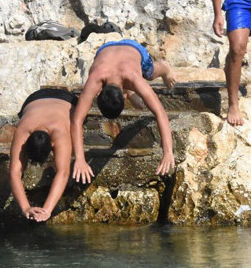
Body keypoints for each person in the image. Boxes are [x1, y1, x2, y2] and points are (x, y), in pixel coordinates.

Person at [71, 39, 176, 184]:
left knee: (149, 74)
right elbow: (76, 121)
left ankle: (164, 67)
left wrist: (168, 152)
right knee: (94, 74)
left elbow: (160, 113)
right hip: (104, 49)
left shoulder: (133, 78)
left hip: (133, 48)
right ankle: (132, 94)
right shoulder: (95, 79)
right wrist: (80, 159)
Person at [9, 88, 77, 221]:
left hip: (67, 99)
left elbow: (63, 173)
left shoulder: (59, 132)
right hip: (34, 98)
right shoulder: (22, 131)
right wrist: (25, 208)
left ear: (53, 144)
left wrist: (47, 210)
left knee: (71, 149)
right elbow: (14, 173)